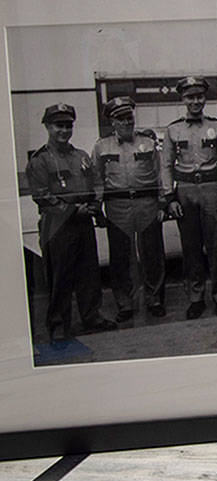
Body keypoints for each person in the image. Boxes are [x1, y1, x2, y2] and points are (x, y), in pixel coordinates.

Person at [27, 104, 117, 341]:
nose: (64, 130)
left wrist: (96, 206)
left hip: (83, 222)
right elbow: (41, 195)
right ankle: (58, 324)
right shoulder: (41, 160)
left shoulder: (81, 156)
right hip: (58, 226)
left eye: (68, 126)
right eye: (59, 126)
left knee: (89, 273)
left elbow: (97, 182)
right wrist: (72, 209)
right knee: (60, 276)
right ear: (48, 127)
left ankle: (92, 317)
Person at [161, 76, 217, 320]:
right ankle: (196, 298)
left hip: (212, 189)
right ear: (183, 99)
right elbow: (166, 166)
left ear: (205, 98)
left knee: (215, 247)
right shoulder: (173, 129)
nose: (195, 101)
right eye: (190, 97)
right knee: (190, 247)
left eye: (199, 96)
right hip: (185, 191)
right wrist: (170, 197)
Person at [91, 96, 167, 320]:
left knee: (152, 254)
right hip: (117, 206)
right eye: (120, 119)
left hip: (146, 204)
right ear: (112, 122)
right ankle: (125, 304)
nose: (126, 123)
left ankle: (154, 299)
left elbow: (160, 173)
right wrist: (98, 208)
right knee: (121, 258)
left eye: (129, 118)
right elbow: (96, 179)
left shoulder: (148, 143)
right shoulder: (101, 147)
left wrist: (163, 203)